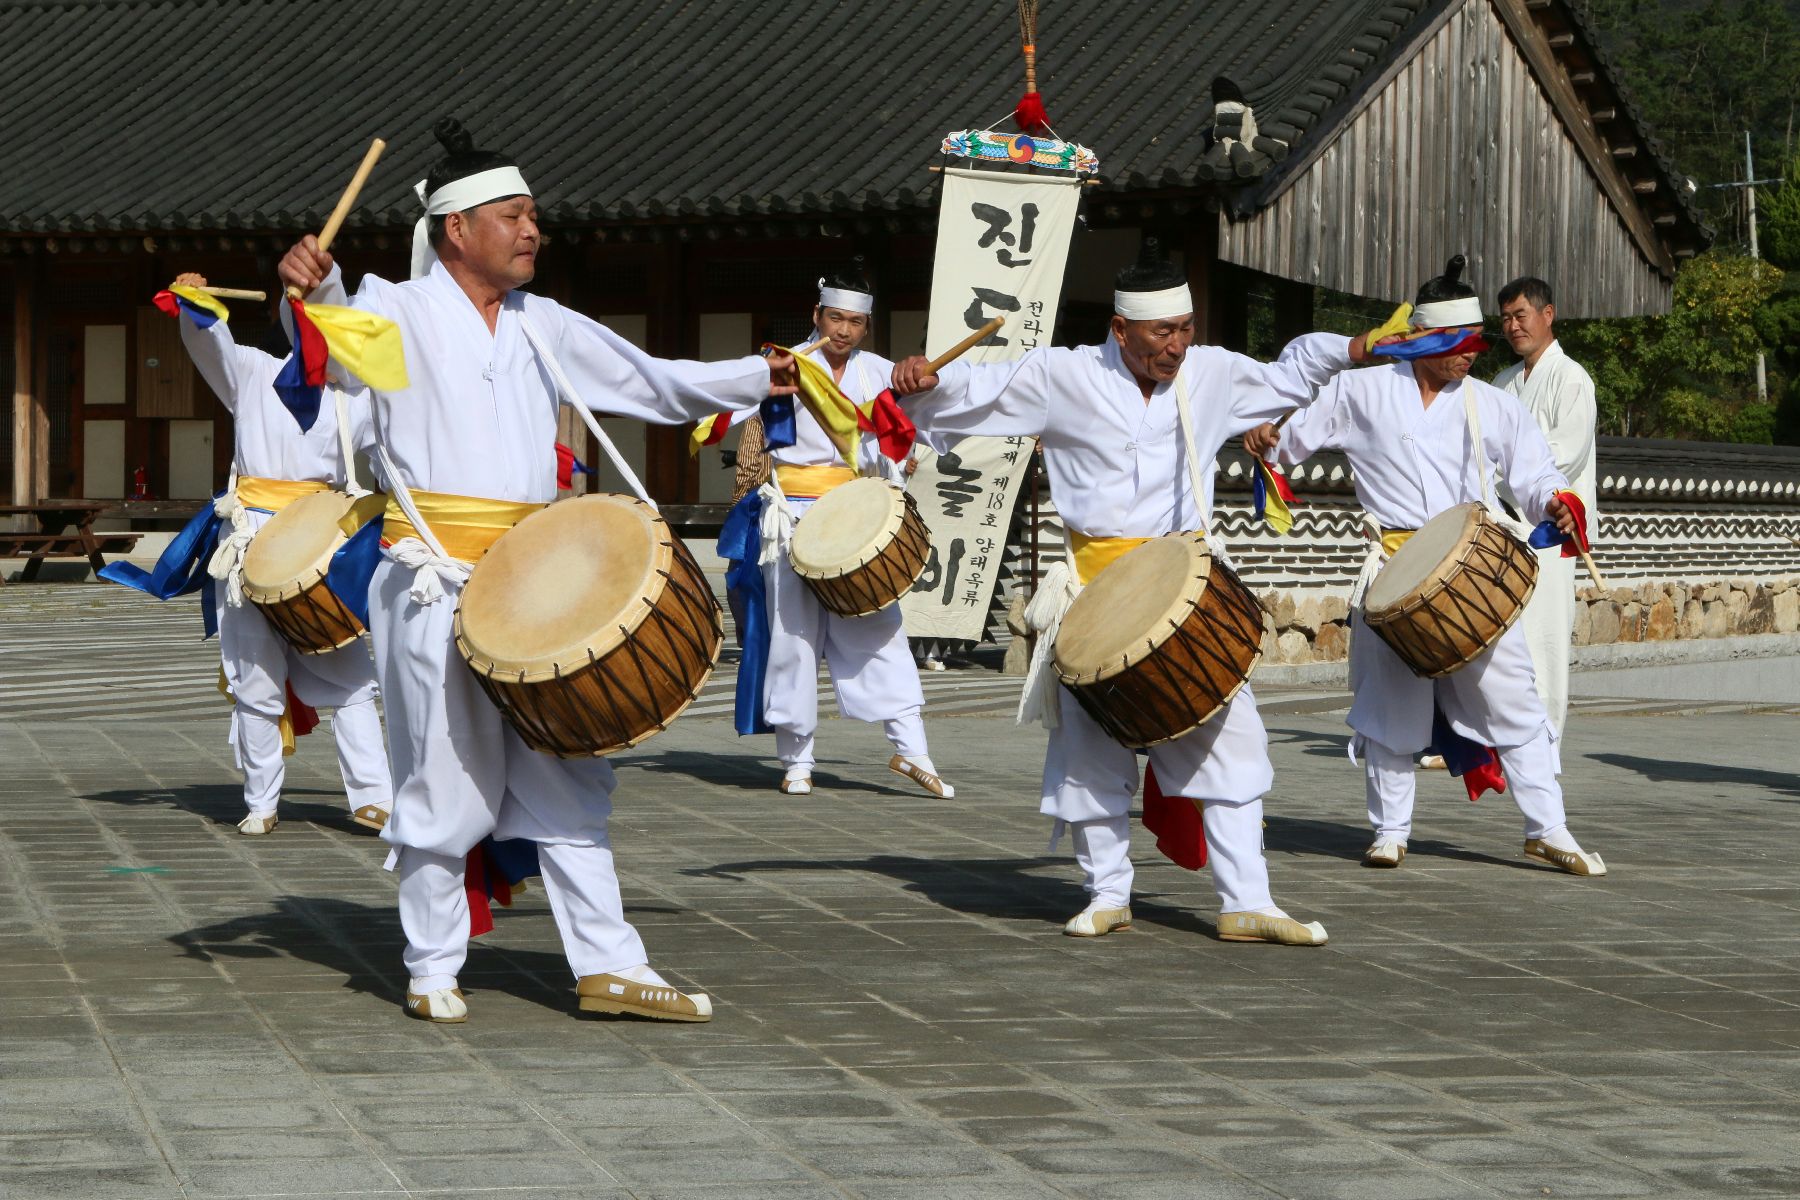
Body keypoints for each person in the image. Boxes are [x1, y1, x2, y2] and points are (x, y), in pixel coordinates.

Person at [278, 118, 794, 1024]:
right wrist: (311, 290)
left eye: (533, 217)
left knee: (567, 771)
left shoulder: (542, 324)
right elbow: (337, 344)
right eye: (513, 216)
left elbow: (652, 382)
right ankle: (431, 964)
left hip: (532, 582)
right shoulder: (396, 308)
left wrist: (760, 375)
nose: (533, 232)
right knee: (442, 776)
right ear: (456, 229)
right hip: (430, 575)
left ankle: (610, 966)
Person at [890, 239, 1371, 945]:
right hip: (1095, 591)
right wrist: (923, 382)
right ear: (1121, 329)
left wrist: (1355, 347)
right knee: (1090, 751)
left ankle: (1248, 901)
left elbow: (1289, 375)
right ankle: (1107, 892)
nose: (1176, 346)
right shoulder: (1062, 374)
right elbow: (975, 390)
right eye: (1161, 332)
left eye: (1185, 329)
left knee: (1233, 741)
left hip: (1184, 587)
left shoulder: (1212, 374)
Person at [1246, 256, 1607, 877]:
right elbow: (1286, 436)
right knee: (1391, 707)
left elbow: (1537, 474)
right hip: (1394, 570)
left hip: (1471, 570)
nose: (1469, 355)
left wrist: (1557, 503)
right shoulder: (1360, 391)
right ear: (1420, 340)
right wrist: (1264, 437)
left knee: (1514, 700)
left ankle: (1548, 829)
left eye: (1474, 342)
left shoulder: (1491, 405)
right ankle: (1390, 831)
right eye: (1454, 343)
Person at [142, 274, 394, 837]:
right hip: (249, 540)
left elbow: (402, 454)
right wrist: (196, 303)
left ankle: (375, 797)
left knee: (352, 679)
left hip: (322, 547)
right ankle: (261, 801)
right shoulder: (254, 371)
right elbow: (211, 343)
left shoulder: (355, 397)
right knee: (254, 680)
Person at [736, 265, 950, 798]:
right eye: (836, 318)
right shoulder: (785, 365)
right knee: (794, 636)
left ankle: (912, 749)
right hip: (791, 513)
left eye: (855, 322)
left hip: (854, 517)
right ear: (817, 315)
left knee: (880, 628)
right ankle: (797, 760)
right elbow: (735, 413)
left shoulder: (879, 372)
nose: (844, 331)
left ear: (866, 326)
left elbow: (919, 421)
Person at [1493, 276, 1597, 737]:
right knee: (1501, 635)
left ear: (1547, 314)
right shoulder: (1502, 382)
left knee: (1546, 637)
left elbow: (1564, 453)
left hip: (1552, 528)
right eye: (1505, 318)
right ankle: (1493, 738)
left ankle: (1544, 740)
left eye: (1521, 315)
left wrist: (1504, 469)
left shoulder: (1571, 377)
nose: (1513, 326)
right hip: (1503, 525)